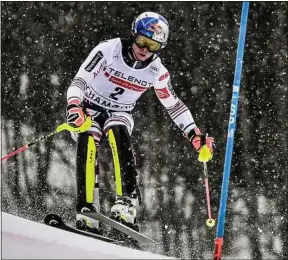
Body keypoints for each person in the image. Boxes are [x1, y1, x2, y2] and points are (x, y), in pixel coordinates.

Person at [66, 11, 215, 232]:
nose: (144, 50)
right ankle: (86, 208)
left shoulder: (157, 71)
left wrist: (194, 133)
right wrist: (74, 105)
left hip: (120, 112)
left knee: (117, 129)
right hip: (88, 108)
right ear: (133, 35)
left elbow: (173, 104)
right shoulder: (109, 50)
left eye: (152, 46)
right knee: (88, 137)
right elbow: (80, 80)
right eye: (142, 41)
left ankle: (126, 202)